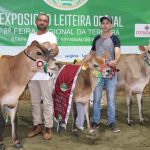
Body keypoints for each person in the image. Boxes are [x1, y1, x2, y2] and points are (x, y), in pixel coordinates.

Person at [82, 16, 121, 133]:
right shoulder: (96, 39)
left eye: (107, 23)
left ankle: (112, 122)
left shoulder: (115, 39)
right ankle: (96, 121)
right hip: (97, 74)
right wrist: (81, 62)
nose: (105, 25)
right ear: (101, 25)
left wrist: (116, 60)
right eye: (103, 23)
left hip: (110, 73)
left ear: (111, 25)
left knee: (111, 98)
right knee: (97, 98)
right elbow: (91, 53)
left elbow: (118, 52)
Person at [26, 13, 59, 140]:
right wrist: (42, 47)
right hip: (33, 75)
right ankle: (37, 126)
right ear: (36, 22)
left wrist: (52, 48)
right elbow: (28, 51)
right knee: (34, 102)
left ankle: (48, 128)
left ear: (47, 23)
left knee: (47, 102)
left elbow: (55, 50)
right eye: (40, 20)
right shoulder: (31, 36)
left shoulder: (51, 36)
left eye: (45, 21)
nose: (42, 22)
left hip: (46, 75)